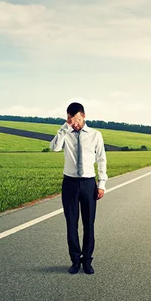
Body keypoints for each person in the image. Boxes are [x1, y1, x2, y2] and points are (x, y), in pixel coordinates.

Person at [50, 102, 108, 275]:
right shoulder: (65, 133)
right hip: (70, 184)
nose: (73, 123)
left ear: (83, 116)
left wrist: (102, 184)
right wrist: (64, 127)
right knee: (71, 225)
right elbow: (54, 148)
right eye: (69, 119)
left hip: (89, 184)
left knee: (88, 224)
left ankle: (87, 261)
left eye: (75, 119)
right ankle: (75, 261)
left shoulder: (95, 135)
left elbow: (102, 160)